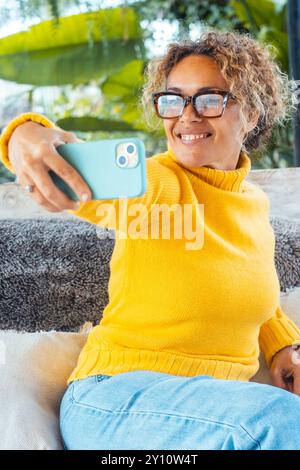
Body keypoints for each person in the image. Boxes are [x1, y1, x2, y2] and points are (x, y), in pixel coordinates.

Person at [1, 30, 300, 450]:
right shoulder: (160, 184)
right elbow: (92, 180)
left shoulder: (253, 206)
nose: (188, 116)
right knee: (283, 419)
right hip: (116, 399)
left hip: (213, 413)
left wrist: (284, 346)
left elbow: (253, 289)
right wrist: (24, 135)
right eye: (174, 99)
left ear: (251, 114)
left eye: (211, 99)